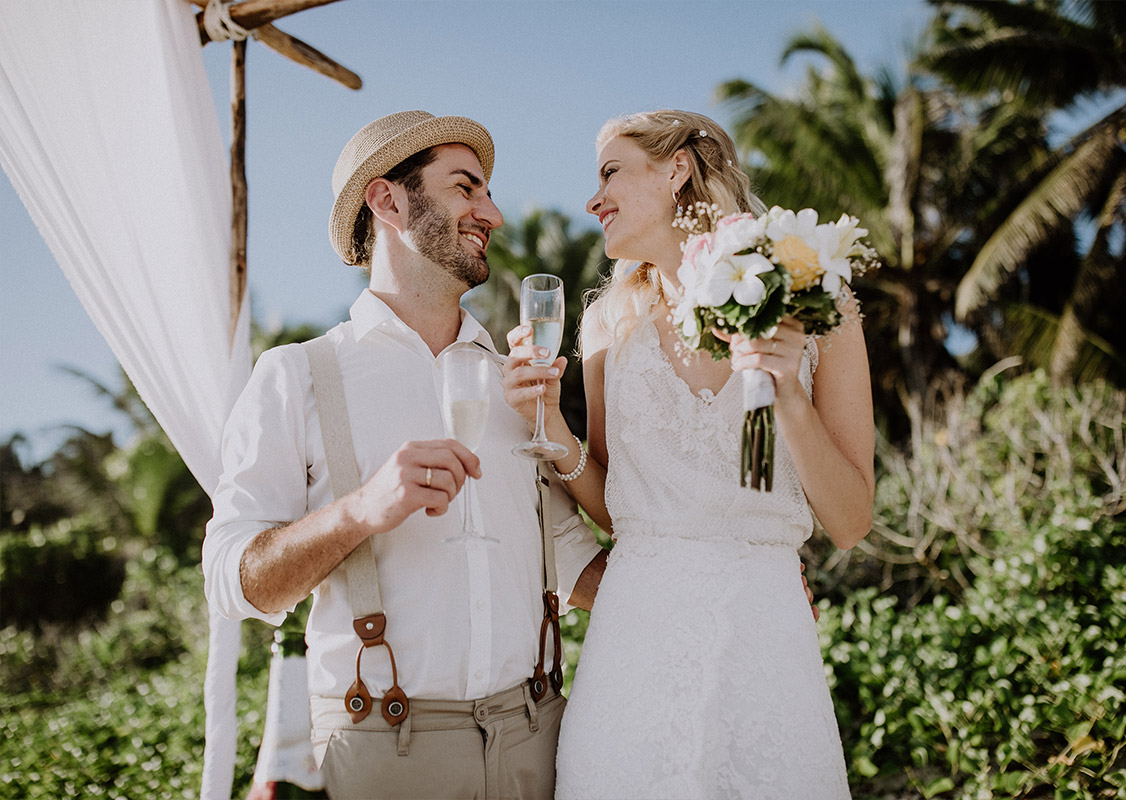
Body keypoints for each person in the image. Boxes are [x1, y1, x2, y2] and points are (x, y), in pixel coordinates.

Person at [202, 110, 608, 800]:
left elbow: (571, 566)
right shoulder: (297, 375)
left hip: (540, 745)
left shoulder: (518, 382)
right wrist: (359, 511)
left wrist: (727, 577)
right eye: (466, 188)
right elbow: (232, 583)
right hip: (379, 759)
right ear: (388, 200)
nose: (494, 213)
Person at [502, 110, 874, 798]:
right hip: (633, 638)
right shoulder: (608, 322)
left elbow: (850, 522)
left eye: (611, 171)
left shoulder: (820, 301)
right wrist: (553, 427)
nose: (593, 198)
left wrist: (786, 390)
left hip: (763, 633)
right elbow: (619, 509)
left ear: (676, 171)